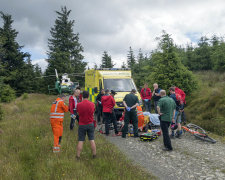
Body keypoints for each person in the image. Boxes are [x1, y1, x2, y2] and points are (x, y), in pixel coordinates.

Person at [76, 91, 96, 159]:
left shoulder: (78, 104)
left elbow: (78, 113)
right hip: (90, 124)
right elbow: (93, 112)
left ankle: (78, 156)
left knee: (81, 140)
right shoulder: (92, 104)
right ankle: (94, 155)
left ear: (82, 96)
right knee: (92, 140)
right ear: (88, 96)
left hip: (82, 124)